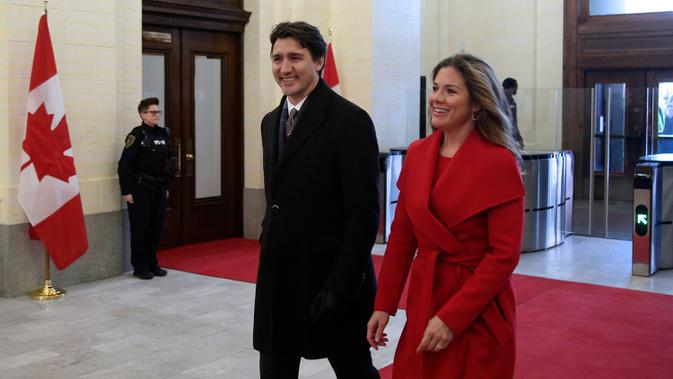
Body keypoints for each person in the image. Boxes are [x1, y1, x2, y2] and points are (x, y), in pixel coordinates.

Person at [367, 54, 525, 378]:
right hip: (425, 299)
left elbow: (504, 256)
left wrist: (453, 317)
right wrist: (384, 303)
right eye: (436, 88)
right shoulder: (418, 153)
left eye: (450, 91)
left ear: (477, 105)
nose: (437, 98)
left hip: (477, 309)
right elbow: (402, 236)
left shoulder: (499, 162)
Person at [254, 21, 381, 379]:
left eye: (296, 57)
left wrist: (339, 287)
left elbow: (364, 215)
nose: (284, 68)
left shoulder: (351, 121)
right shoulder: (269, 122)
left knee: (354, 370)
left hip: (332, 281)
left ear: (320, 60)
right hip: (280, 278)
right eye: (277, 58)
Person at [117, 97, 175, 280]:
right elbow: (124, 165)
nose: (157, 115)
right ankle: (140, 266)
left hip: (158, 187)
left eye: (158, 112)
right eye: (153, 112)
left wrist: (166, 186)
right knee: (140, 228)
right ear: (142, 115)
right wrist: (126, 191)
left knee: (155, 227)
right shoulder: (137, 136)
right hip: (140, 188)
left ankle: (152, 262)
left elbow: (169, 163)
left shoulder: (163, 134)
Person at [503, 77, 525, 148]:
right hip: (503, 138)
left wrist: (519, 137)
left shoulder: (513, 102)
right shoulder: (499, 101)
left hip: (512, 137)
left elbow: (514, 122)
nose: (516, 89)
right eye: (515, 87)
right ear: (509, 88)